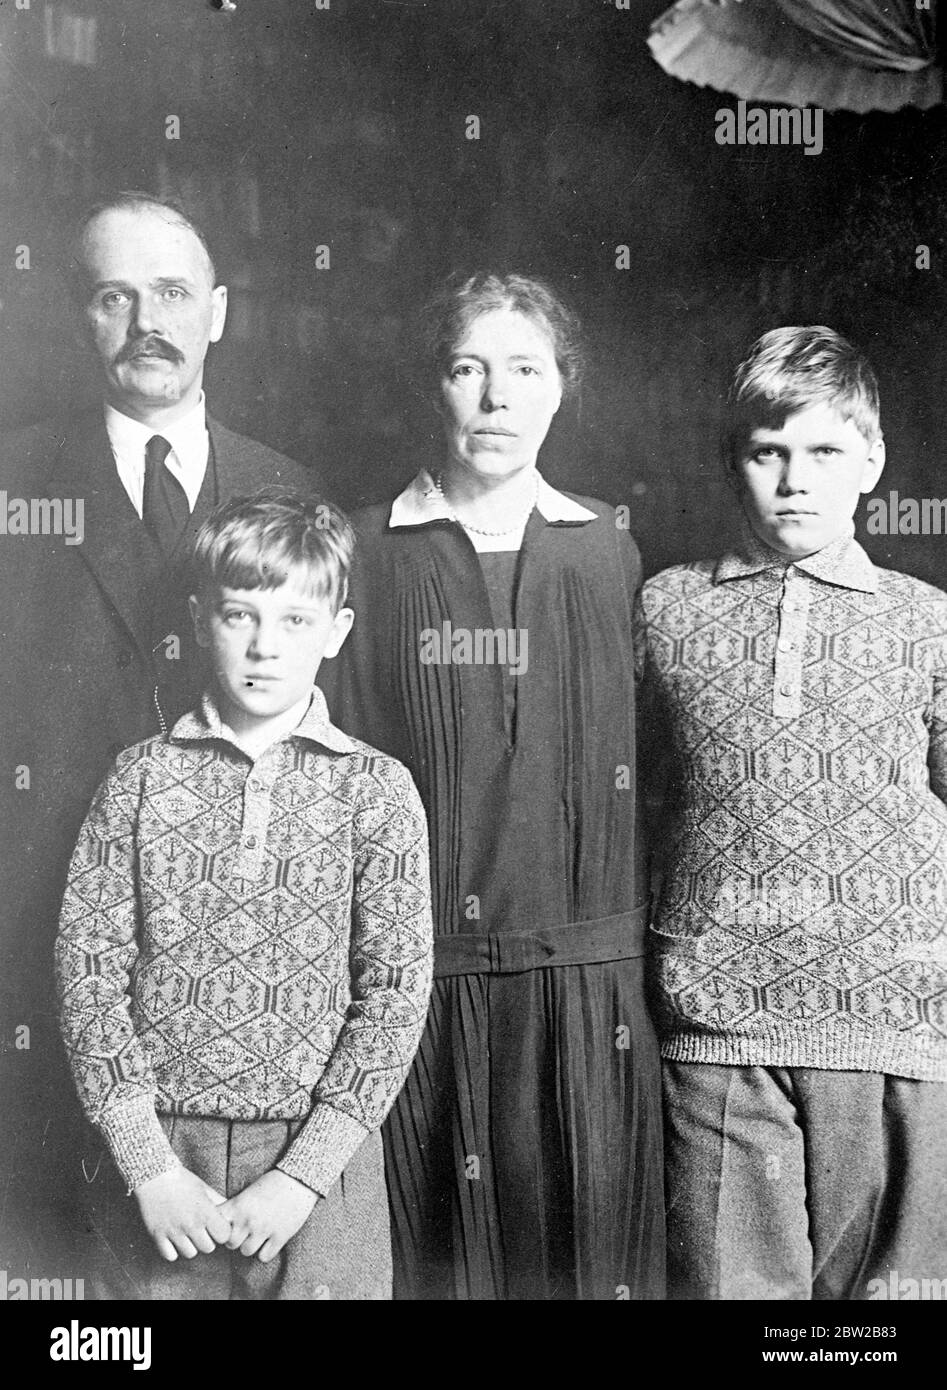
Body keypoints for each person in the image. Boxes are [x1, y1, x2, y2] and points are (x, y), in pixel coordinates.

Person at [324, 271, 665, 1300]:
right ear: (432, 386)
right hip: (423, 993)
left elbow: (649, 767)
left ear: (561, 387)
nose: (495, 397)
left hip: (593, 990)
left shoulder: (607, 546)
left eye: (523, 370)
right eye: (466, 368)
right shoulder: (367, 549)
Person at [0, 192, 317, 1275]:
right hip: (40, 950)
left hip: (237, 984)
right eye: (114, 295)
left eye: (174, 292)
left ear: (218, 312)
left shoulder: (290, 490)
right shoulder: (12, 485)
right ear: (80, 318)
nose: (149, 320)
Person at [54, 489, 434, 1299]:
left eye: (295, 620)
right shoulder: (138, 779)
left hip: (316, 1168)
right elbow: (87, 970)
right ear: (199, 620)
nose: (265, 647)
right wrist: (147, 1164)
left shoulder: (376, 789)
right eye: (240, 616)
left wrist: (303, 1177)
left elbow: (396, 995)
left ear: (335, 633)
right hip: (160, 1165)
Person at [634, 325, 947, 1300]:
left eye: (821, 452)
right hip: (719, 1020)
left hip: (896, 1018)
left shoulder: (922, 617)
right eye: (766, 453)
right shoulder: (664, 607)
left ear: (872, 461)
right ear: (735, 461)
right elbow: (626, 790)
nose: (793, 480)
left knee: (887, 1310)